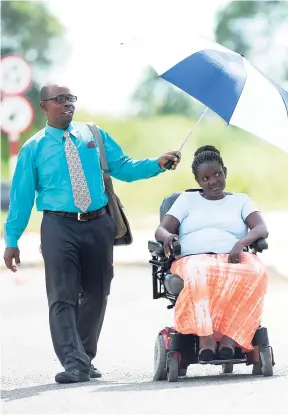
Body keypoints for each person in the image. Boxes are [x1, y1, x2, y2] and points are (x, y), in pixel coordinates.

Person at [3, 83, 181, 384]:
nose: (67, 104)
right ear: (44, 106)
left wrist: (157, 164)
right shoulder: (33, 148)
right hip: (59, 227)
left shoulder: (93, 134)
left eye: (71, 98)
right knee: (63, 295)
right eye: (59, 100)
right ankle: (74, 362)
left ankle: (84, 356)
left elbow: (123, 167)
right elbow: (21, 199)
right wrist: (12, 240)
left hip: (98, 223)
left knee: (98, 292)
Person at [155, 145, 268, 361]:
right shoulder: (186, 201)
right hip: (193, 259)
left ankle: (229, 338)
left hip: (232, 257)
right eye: (205, 178)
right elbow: (162, 229)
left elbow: (261, 228)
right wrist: (168, 237)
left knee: (257, 271)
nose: (213, 181)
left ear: (225, 171)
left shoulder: (241, 200)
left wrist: (241, 243)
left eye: (217, 174)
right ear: (198, 181)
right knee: (200, 271)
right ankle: (206, 338)